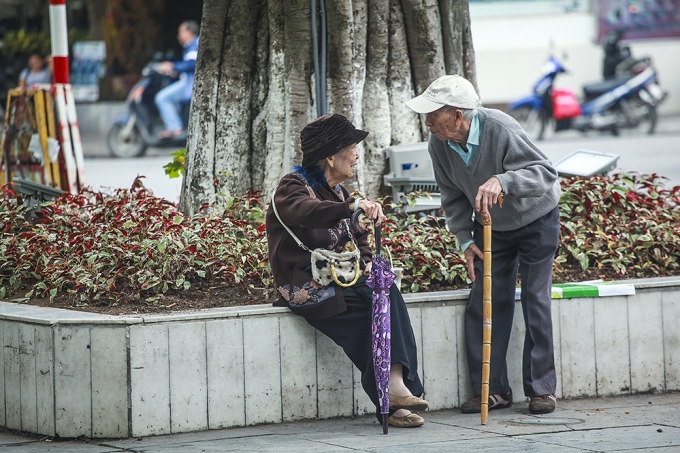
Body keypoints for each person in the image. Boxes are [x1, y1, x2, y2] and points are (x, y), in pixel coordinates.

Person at [406, 75, 561, 415]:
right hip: (492, 228)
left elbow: (545, 173)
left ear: (458, 115)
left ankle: (542, 389)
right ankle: (493, 391)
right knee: (485, 300)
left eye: (434, 113)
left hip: (537, 219)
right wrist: (465, 240)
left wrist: (503, 181)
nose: (428, 120)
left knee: (535, 297)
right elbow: (452, 197)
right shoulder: (439, 143)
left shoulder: (500, 127)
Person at [266, 113, 428, 428]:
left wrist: (368, 261)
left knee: (384, 291)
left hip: (341, 278)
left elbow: (360, 238)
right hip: (306, 286)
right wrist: (351, 208)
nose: (356, 156)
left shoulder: (339, 193)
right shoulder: (292, 186)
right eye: (352, 148)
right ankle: (391, 398)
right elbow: (308, 213)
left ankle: (396, 388)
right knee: (365, 312)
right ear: (331, 156)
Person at [154, 20, 199, 139]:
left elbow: (192, 64)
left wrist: (172, 66)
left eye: (181, 32)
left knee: (162, 98)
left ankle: (175, 128)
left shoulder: (195, 44)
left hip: (190, 84)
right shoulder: (190, 46)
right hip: (187, 82)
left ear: (189, 32)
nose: (178, 36)